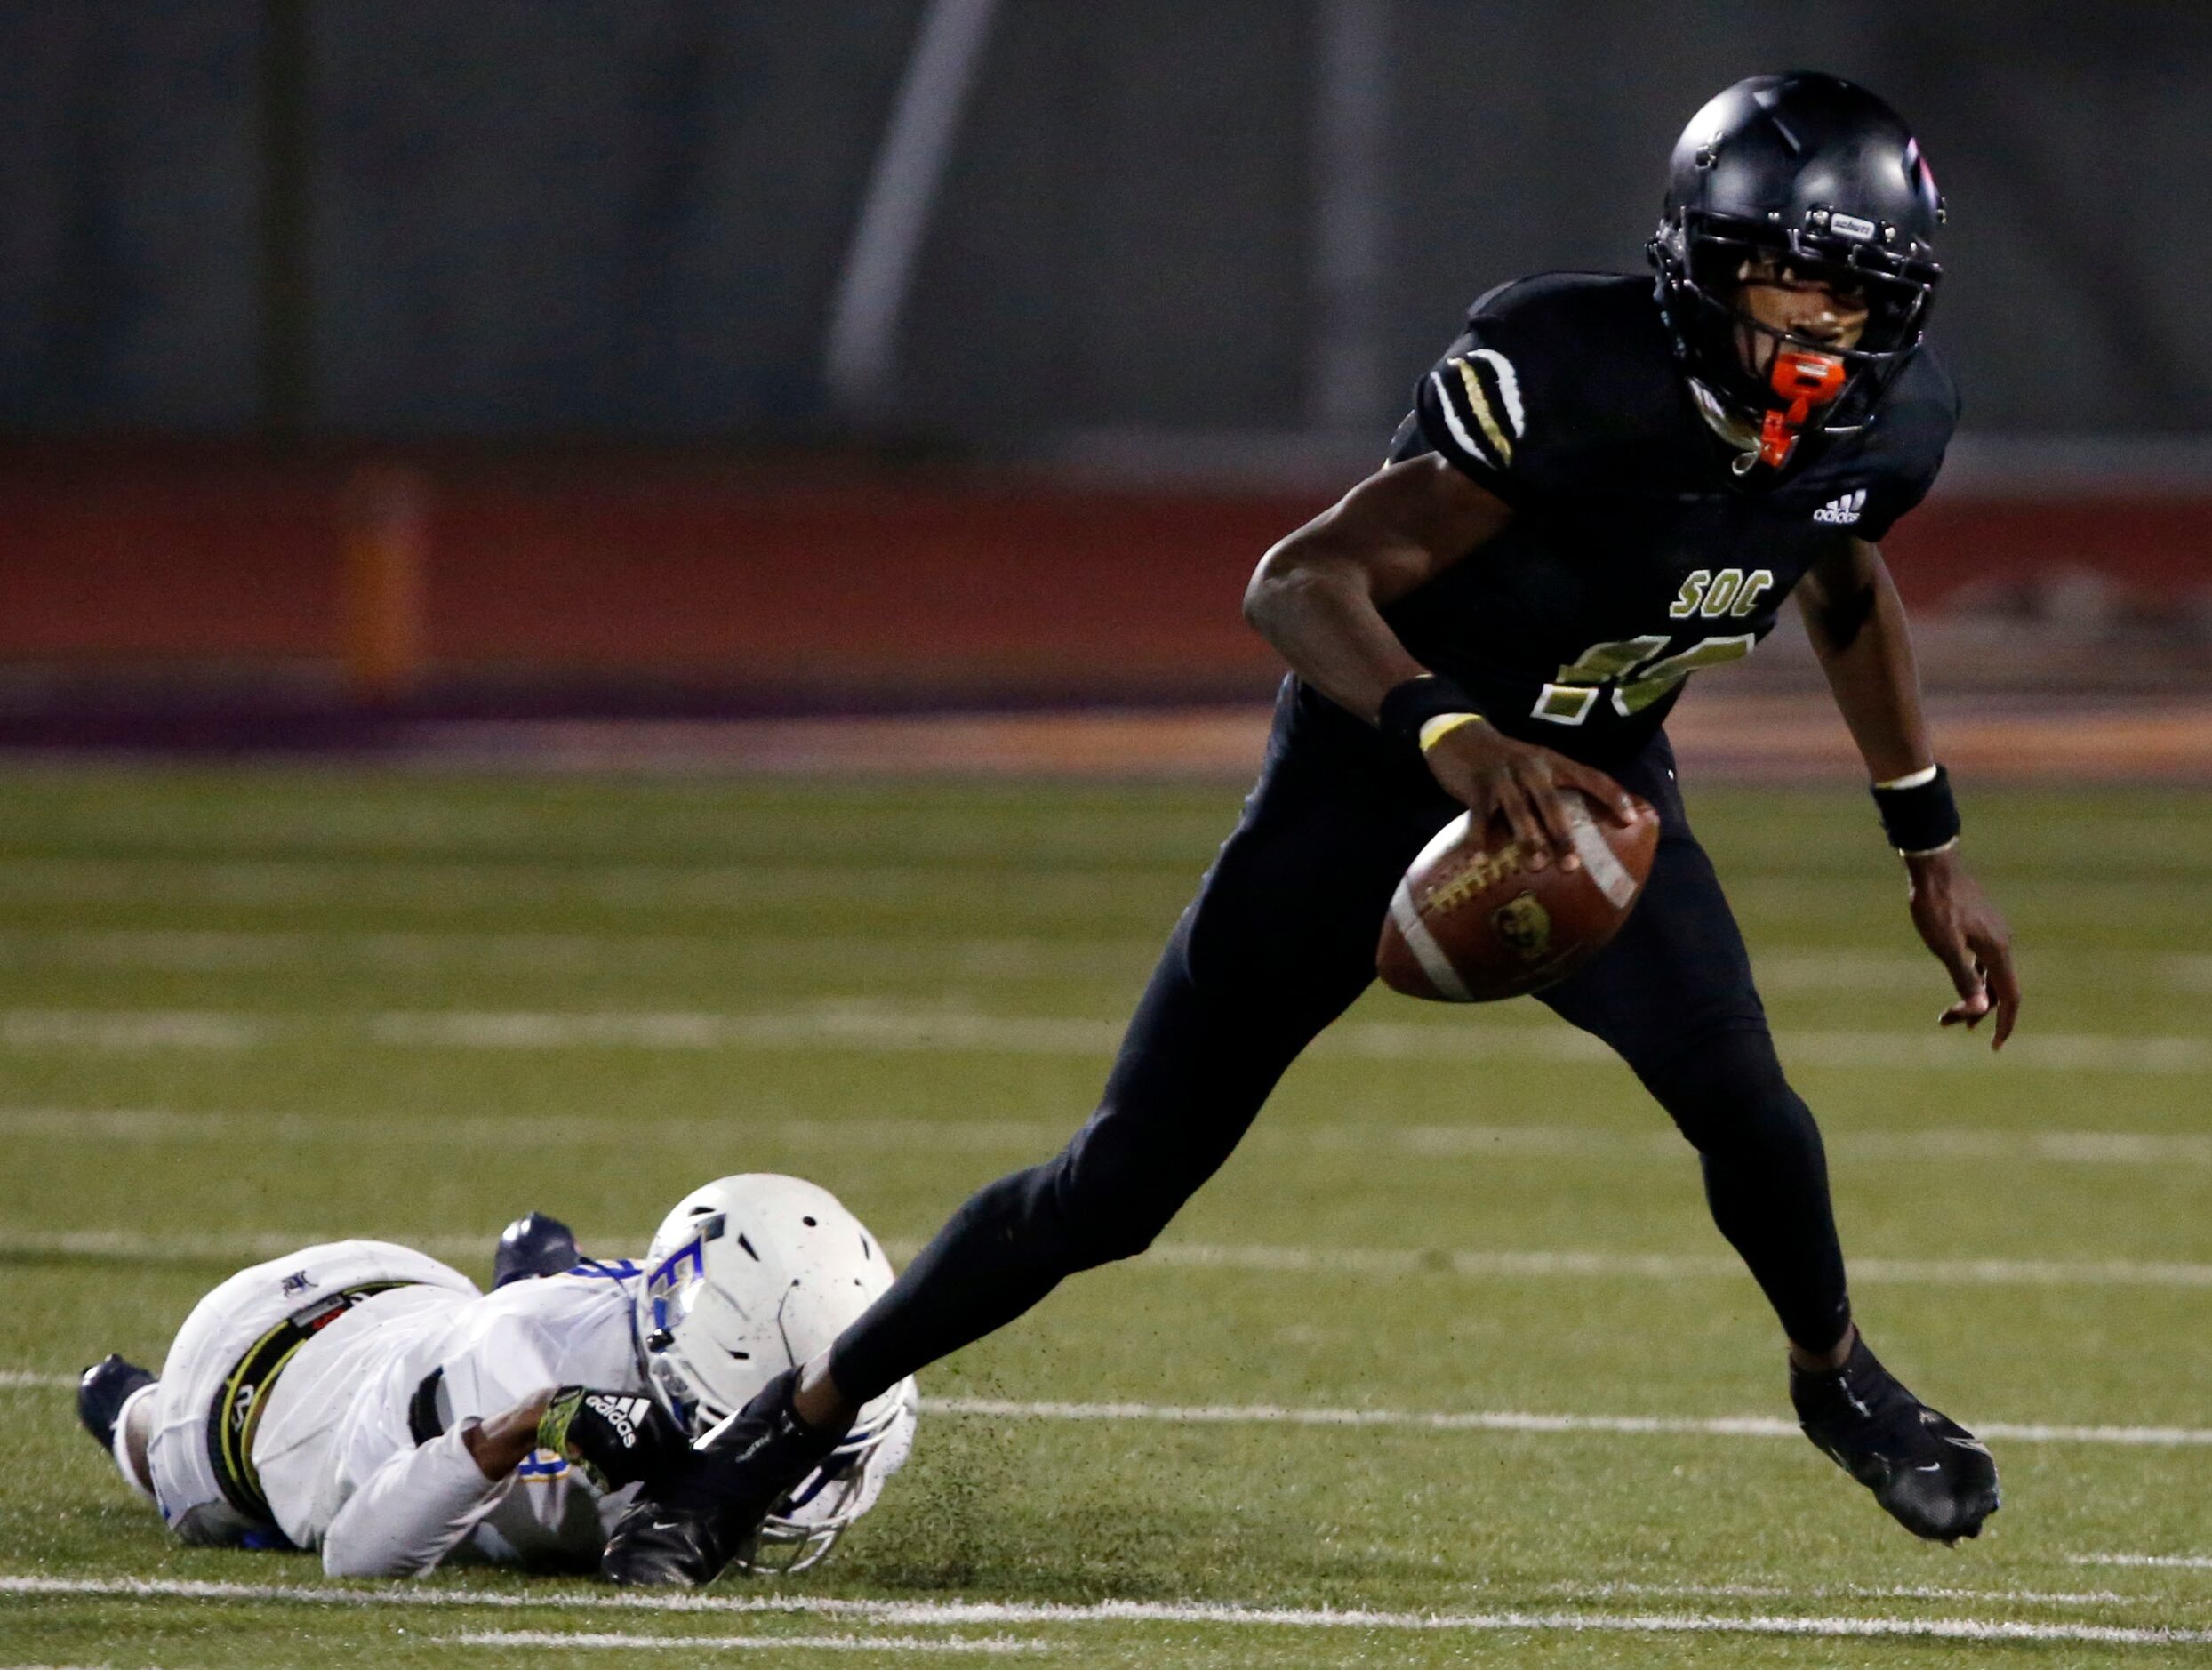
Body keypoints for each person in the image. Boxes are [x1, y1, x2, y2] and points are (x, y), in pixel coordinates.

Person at [597, 71, 2021, 1586]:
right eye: (1786, 282)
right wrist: (1450, 734)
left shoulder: (1889, 423)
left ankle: (1836, 1375)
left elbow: (1844, 584)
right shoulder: (1567, 372)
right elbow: (1295, 580)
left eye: (1852, 298)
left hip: (1589, 786)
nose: (1817, 331)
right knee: (1115, 1185)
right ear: (1697, 264)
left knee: (1746, 1100)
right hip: (1369, 768)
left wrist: (1923, 839)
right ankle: (769, 1437)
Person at [75, 1176, 916, 1578]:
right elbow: (353, 1556)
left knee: (526, 1320)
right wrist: (529, 1422)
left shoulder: (812, 1369)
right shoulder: (520, 1354)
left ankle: (536, 1271)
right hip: (259, 1379)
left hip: (447, 1313)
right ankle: (122, 1407)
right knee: (168, 1458)